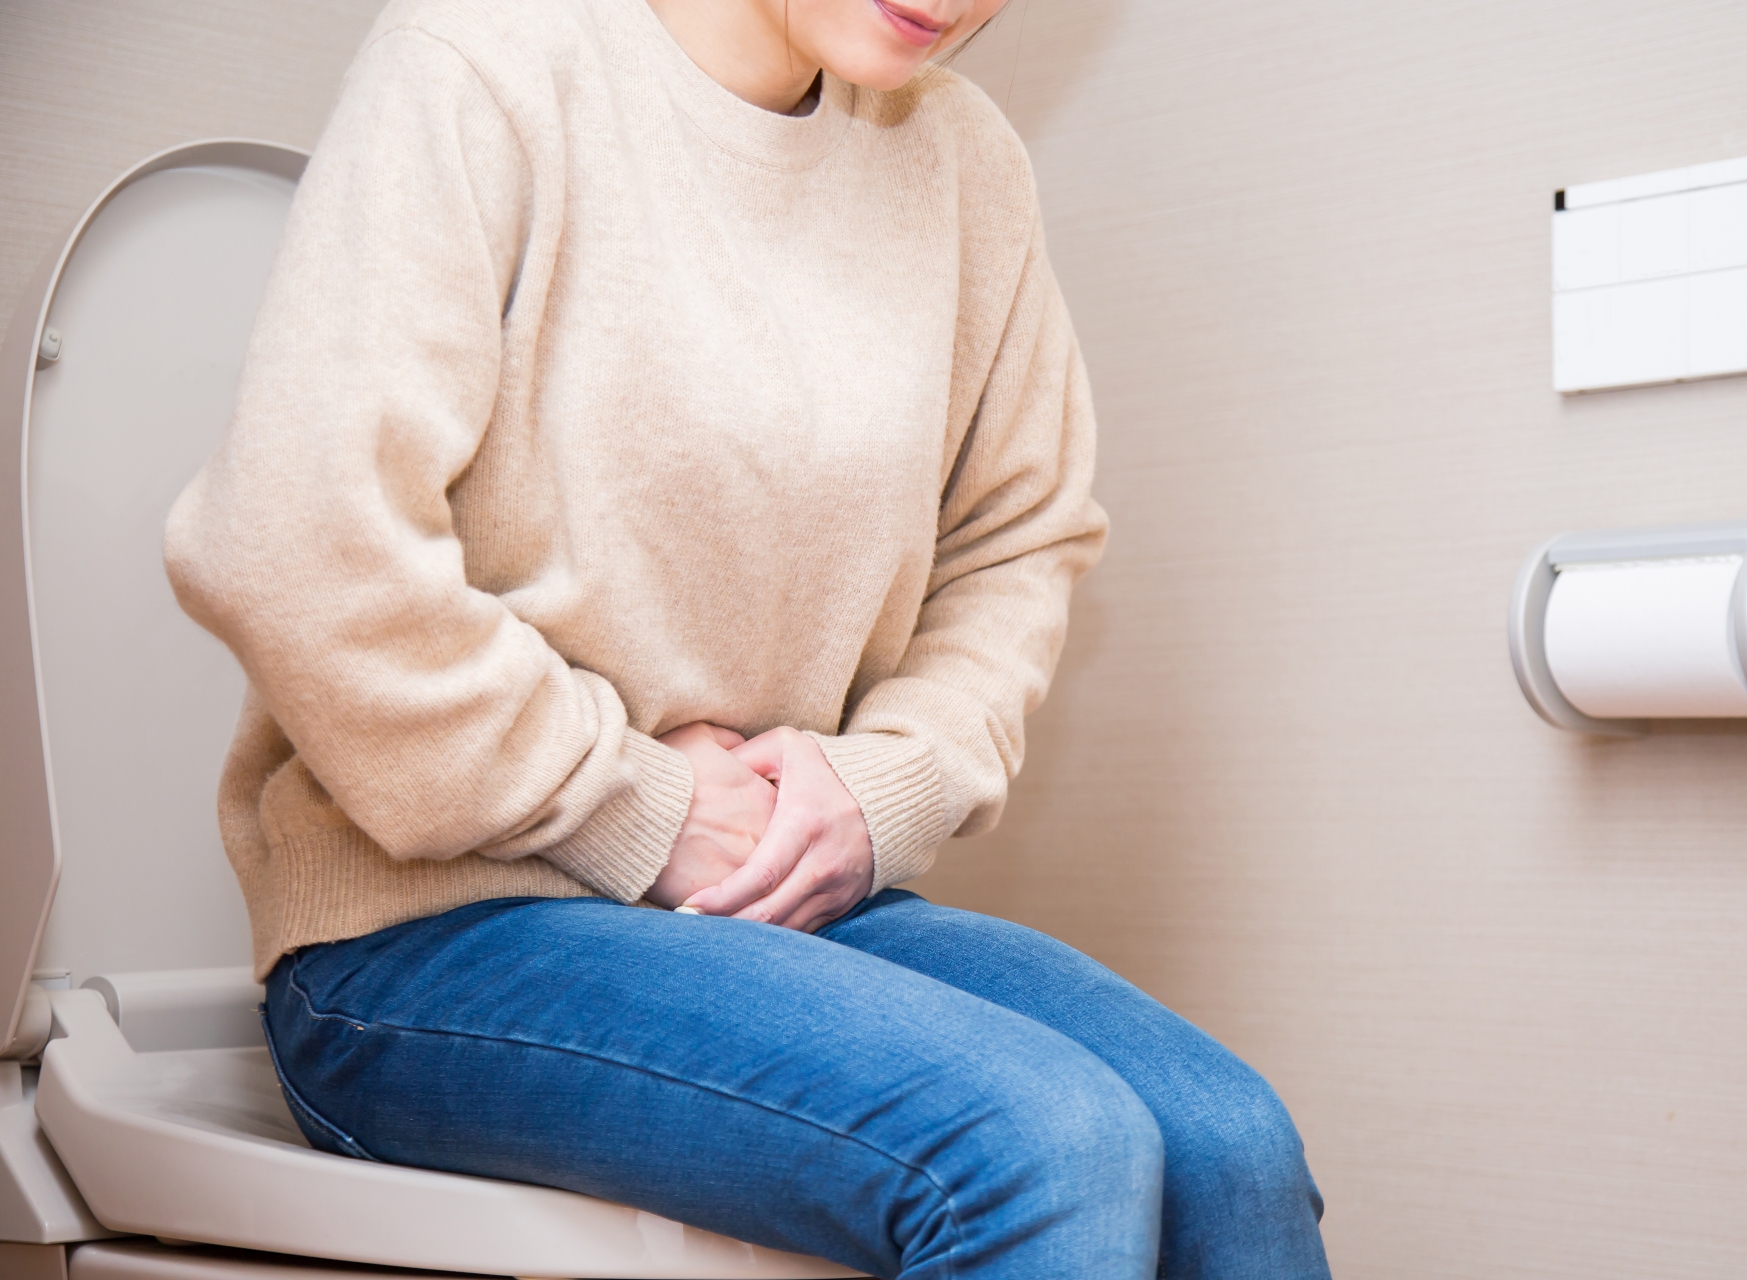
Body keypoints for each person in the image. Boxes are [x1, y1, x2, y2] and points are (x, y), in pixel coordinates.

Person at [163, 0, 1331, 1274]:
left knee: (1231, 1146)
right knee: (1044, 1145)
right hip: (430, 929)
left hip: (768, 909)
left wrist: (883, 785)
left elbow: (1018, 539)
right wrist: (634, 802)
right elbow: (291, 545)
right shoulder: (483, 62)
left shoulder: (964, 160)